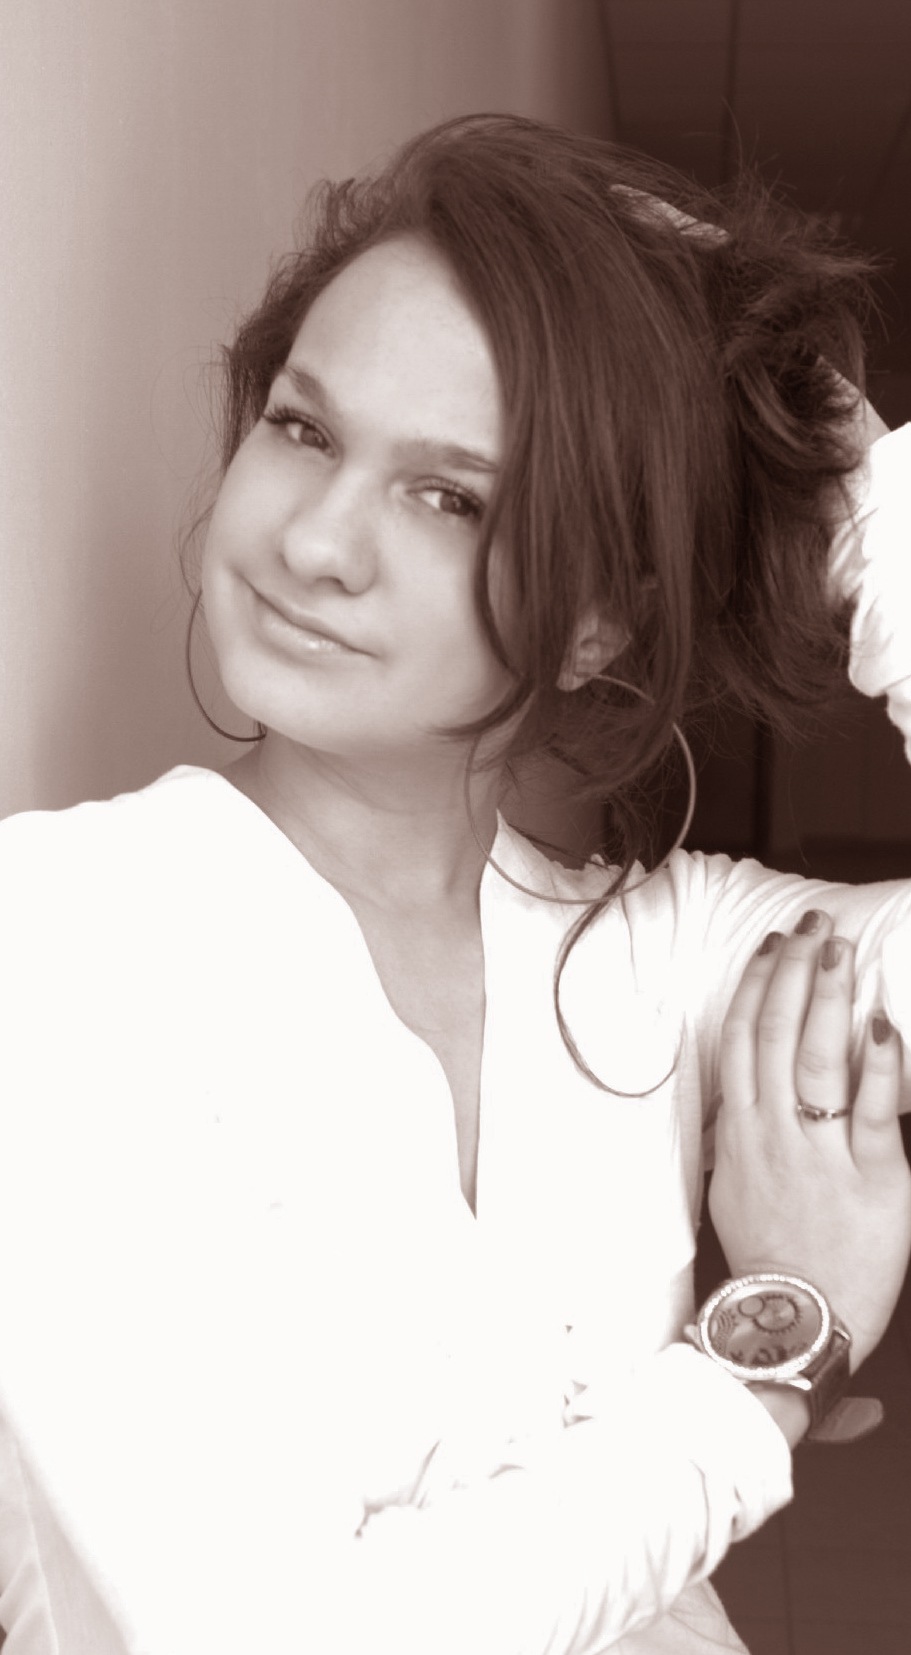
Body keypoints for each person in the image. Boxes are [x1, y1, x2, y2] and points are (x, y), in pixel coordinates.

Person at [0, 113, 909, 1655]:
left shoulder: (665, 960)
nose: (315, 542)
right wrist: (764, 1362)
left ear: (602, 623)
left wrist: (865, 490)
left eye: (452, 498)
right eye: (305, 429)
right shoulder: (62, 937)